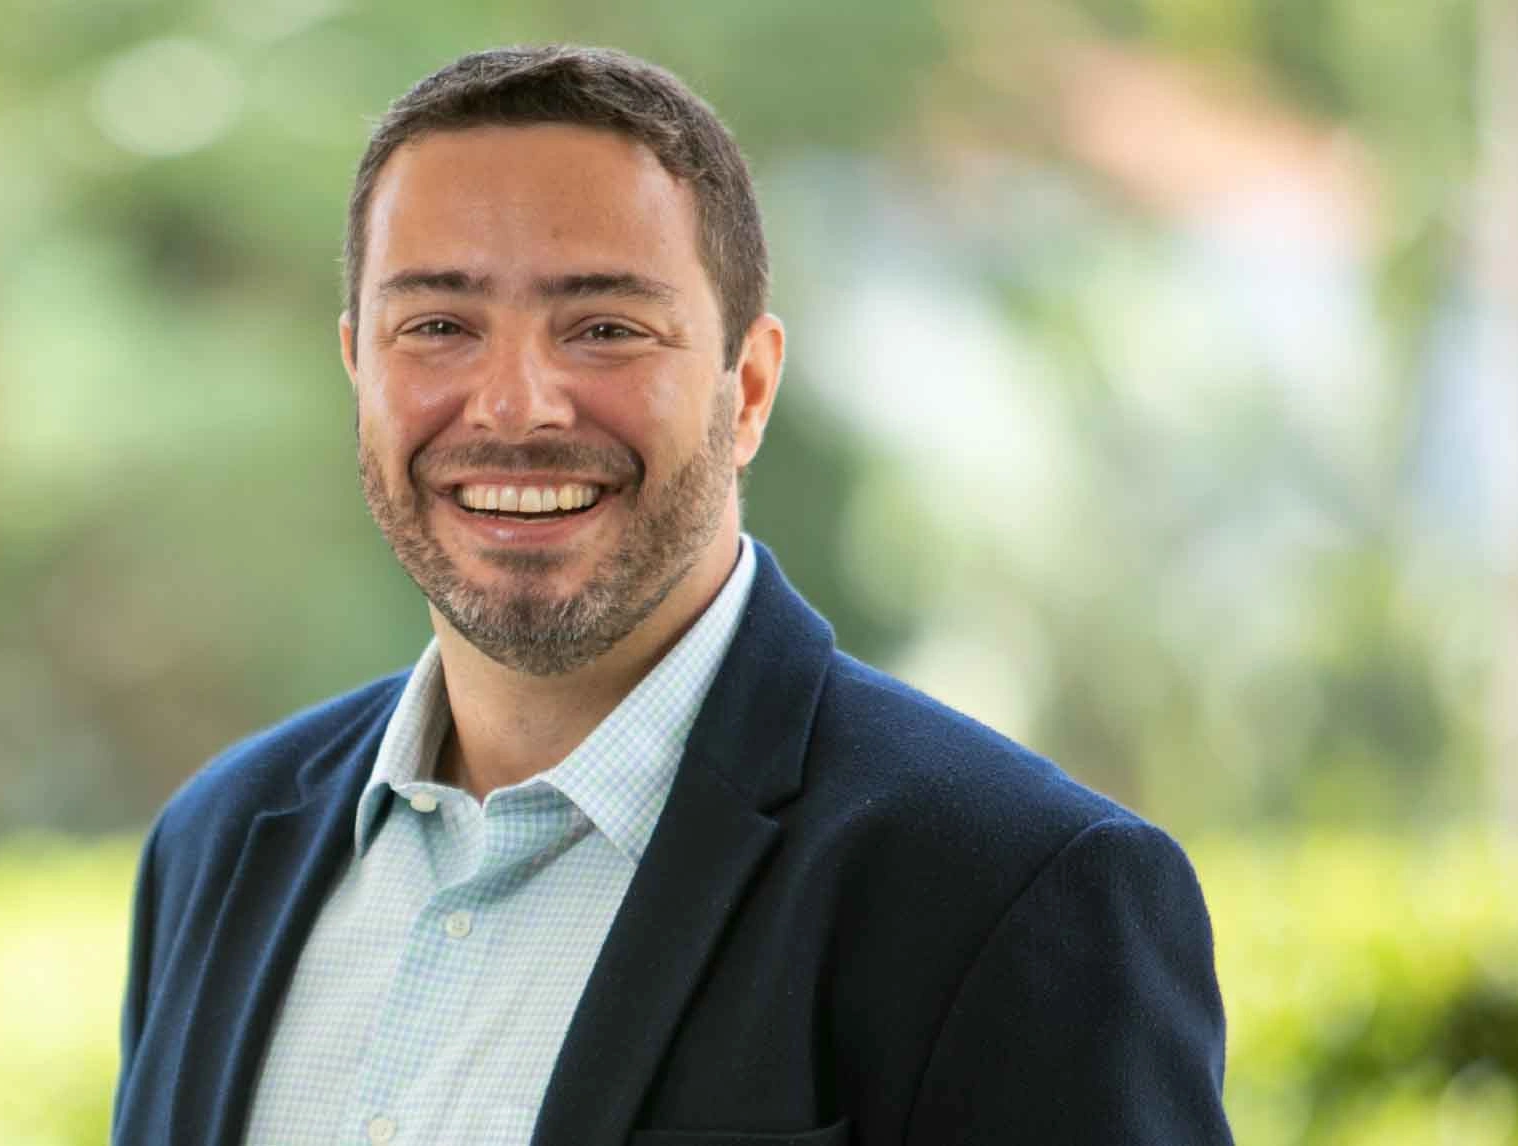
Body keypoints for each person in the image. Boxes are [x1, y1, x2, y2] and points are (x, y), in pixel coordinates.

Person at [109, 43, 1233, 1146]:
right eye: (438, 327)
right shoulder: (215, 844)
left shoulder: (1015, 889)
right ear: (359, 367)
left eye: (605, 329)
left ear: (749, 387)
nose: (515, 406)